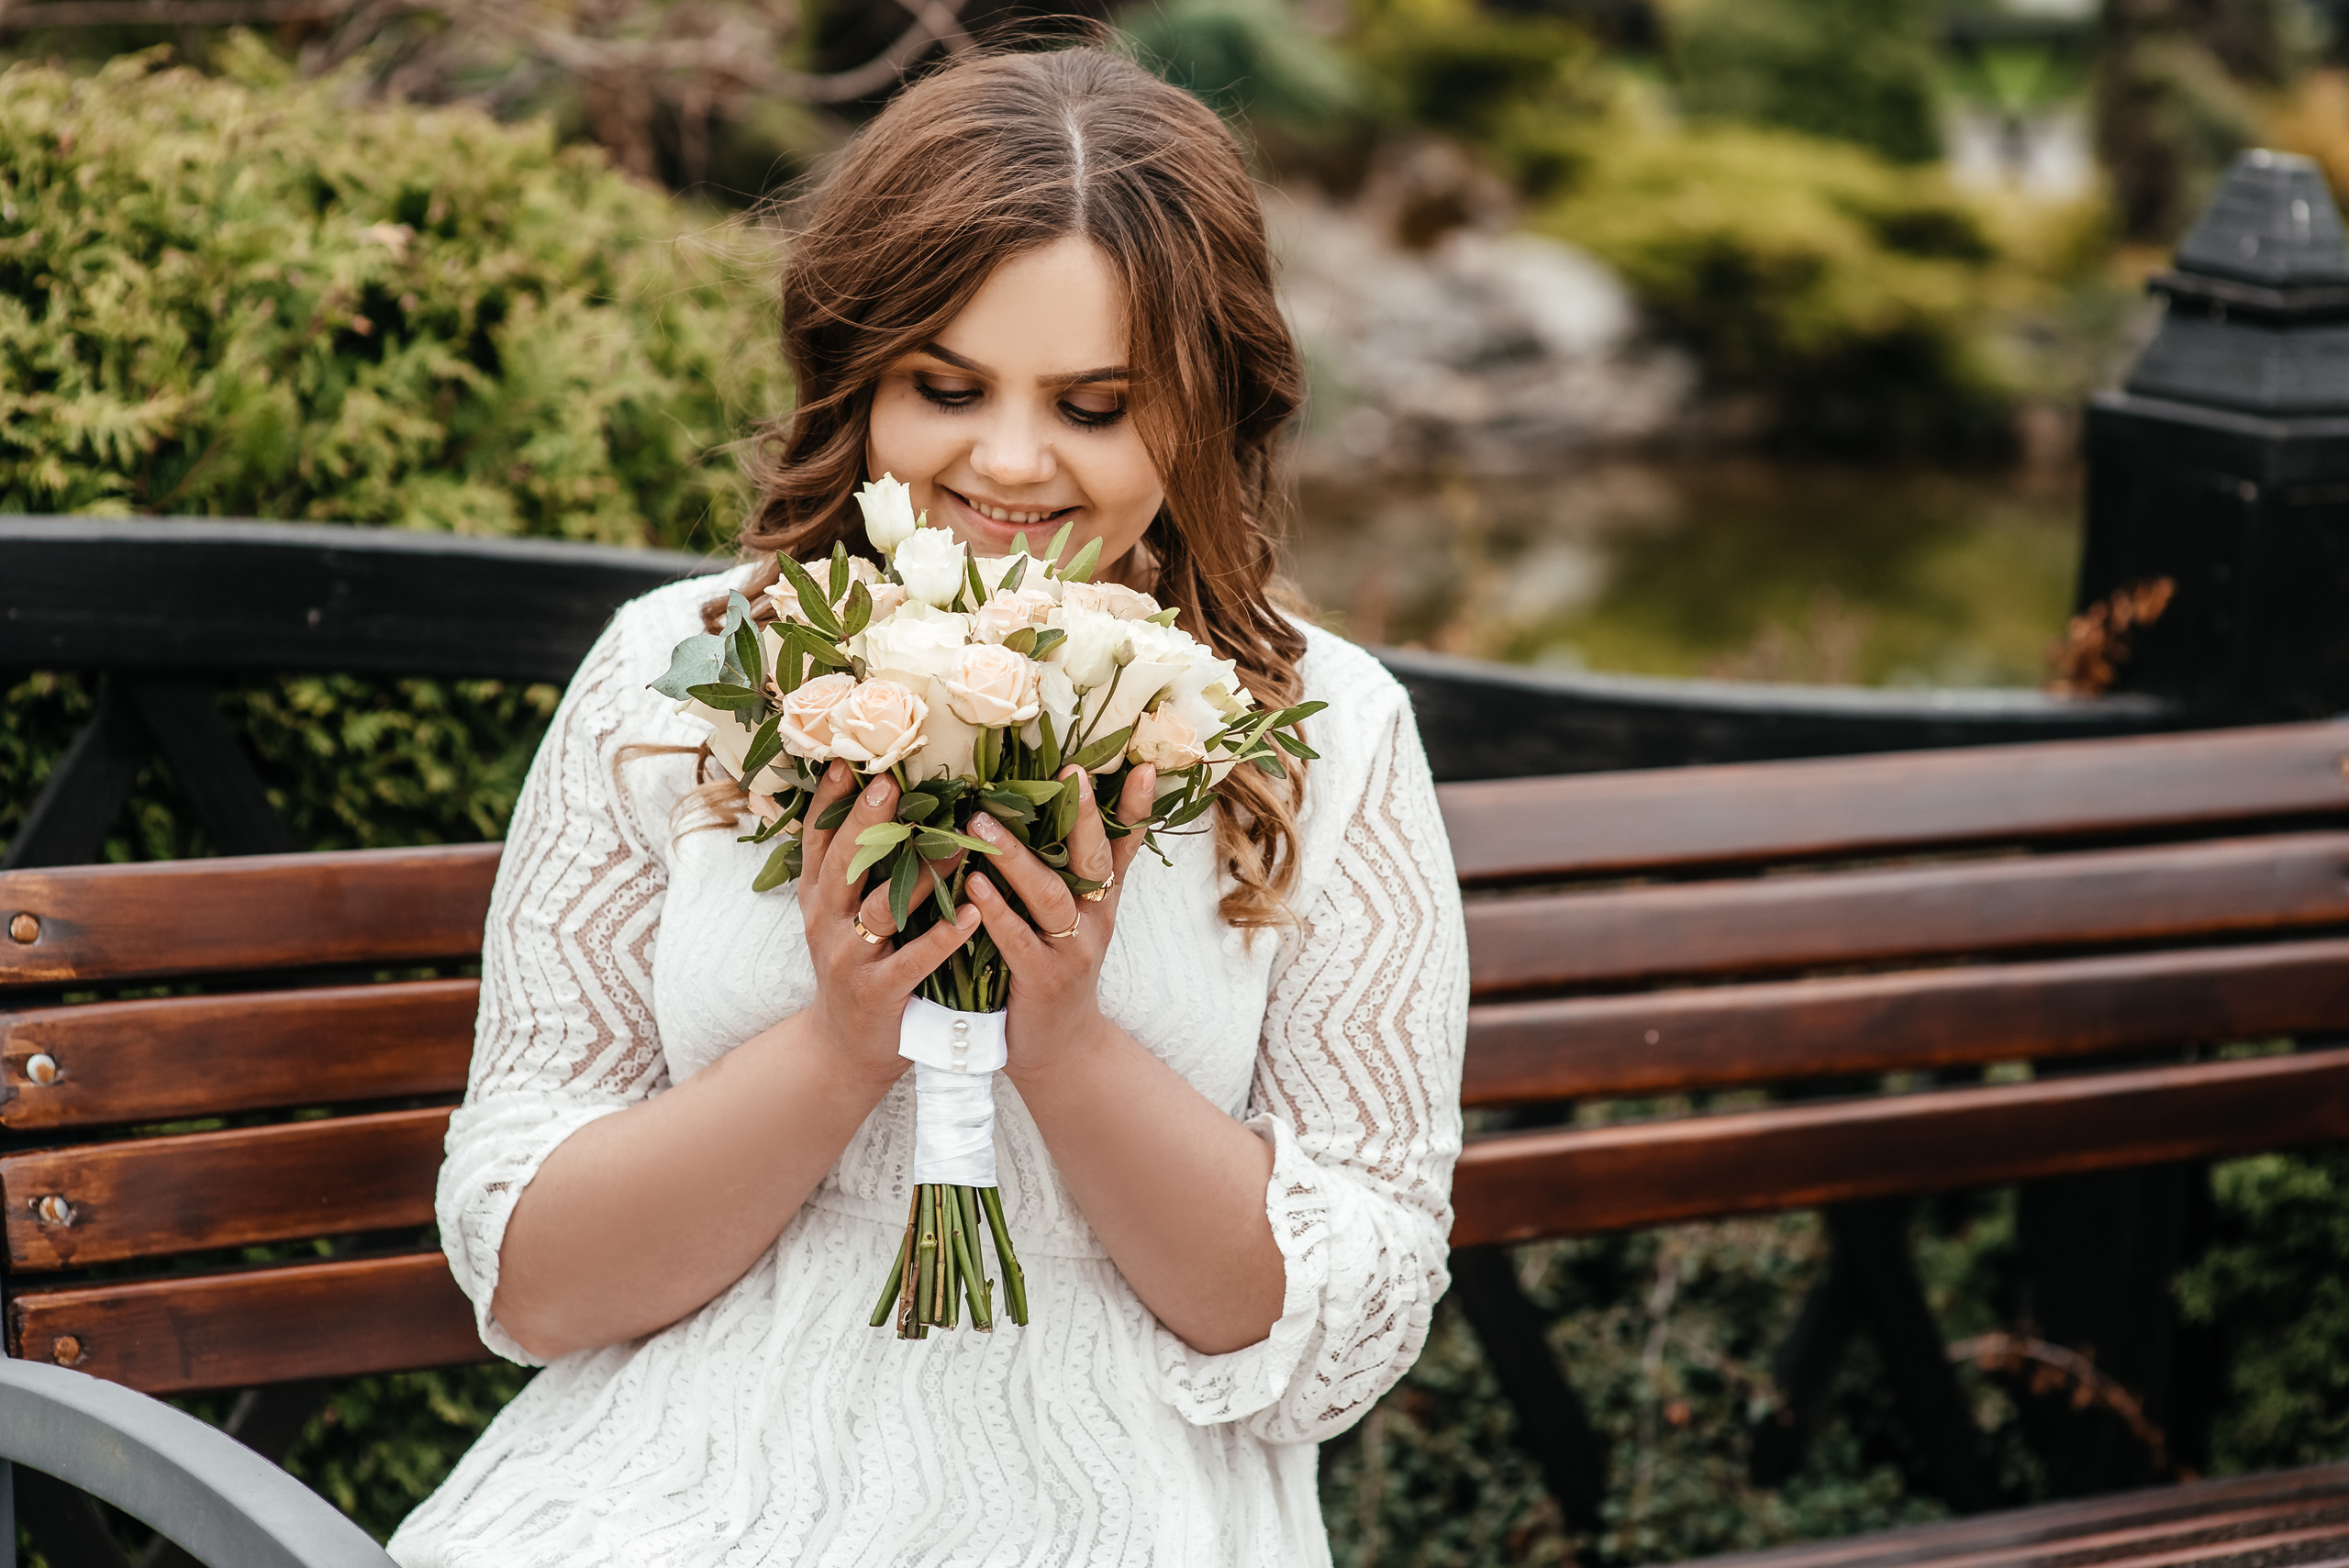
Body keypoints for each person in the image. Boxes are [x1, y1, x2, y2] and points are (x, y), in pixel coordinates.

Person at [387, 42, 1466, 1568]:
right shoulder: (679, 676)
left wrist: (1067, 1041)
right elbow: (539, 1283)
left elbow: (1339, 1337)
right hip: (675, 1489)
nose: (1011, 463)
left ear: (1204, 406)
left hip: (1120, 1504)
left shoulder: (1328, 732)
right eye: (946, 387)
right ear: (858, 374)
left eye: (1096, 406)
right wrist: (841, 1037)